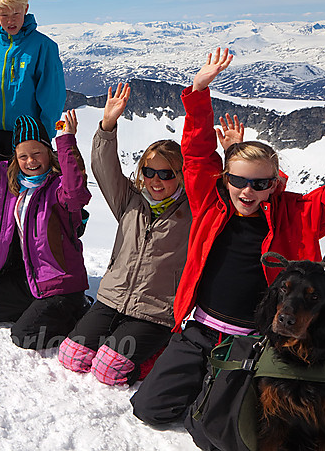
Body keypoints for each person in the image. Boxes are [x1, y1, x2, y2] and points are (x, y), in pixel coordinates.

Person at [130, 48, 325, 426]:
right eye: (238, 180)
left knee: (237, 422)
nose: (247, 191)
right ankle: (210, 382)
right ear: (226, 179)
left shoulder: (297, 214)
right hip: (201, 329)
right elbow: (197, 154)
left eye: (260, 183)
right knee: (149, 410)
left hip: (262, 338)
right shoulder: (211, 201)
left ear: (274, 184)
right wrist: (198, 92)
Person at [58, 83, 246, 386]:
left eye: (167, 174)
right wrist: (107, 125)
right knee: (72, 356)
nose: (156, 181)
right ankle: (115, 338)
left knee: (108, 369)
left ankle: (156, 355)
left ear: (181, 174)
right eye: (149, 171)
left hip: (156, 312)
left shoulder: (194, 211)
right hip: (112, 297)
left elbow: (226, 195)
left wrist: (232, 155)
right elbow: (103, 167)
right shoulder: (130, 200)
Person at [0, 88, 91, 350]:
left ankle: (77, 309)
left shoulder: (58, 187)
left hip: (58, 282)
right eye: (23, 155)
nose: (31, 161)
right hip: (28, 278)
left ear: (48, 153)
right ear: (15, 158)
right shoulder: (10, 182)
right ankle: (38, 308)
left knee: (25, 336)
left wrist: (66, 141)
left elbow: (77, 195)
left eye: (37, 153)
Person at [0, 0, 65, 160]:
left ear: (26, 9)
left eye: (16, 13)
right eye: (4, 15)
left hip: (29, 135)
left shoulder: (44, 46)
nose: (11, 21)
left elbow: (53, 98)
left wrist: (45, 136)